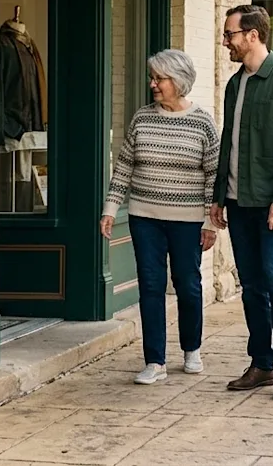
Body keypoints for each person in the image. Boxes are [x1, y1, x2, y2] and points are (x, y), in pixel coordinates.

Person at [100, 49, 219, 386]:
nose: (153, 84)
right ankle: (154, 360)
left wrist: (211, 222)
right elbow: (124, 167)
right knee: (151, 286)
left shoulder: (202, 123)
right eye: (152, 77)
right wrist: (111, 208)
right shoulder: (142, 118)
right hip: (144, 217)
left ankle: (191, 349)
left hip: (187, 219)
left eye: (159, 79)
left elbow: (214, 176)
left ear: (178, 82)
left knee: (188, 285)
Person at [210, 5, 273, 400]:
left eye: (230, 33)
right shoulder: (235, 84)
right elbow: (228, 145)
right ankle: (261, 364)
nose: (225, 41)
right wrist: (219, 197)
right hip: (239, 202)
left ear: (252, 35)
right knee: (251, 285)